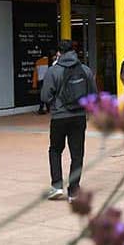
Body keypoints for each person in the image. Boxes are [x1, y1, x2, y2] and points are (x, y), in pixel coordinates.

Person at [41, 39, 97, 201]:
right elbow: (93, 94)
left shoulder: (54, 71)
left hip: (59, 117)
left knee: (55, 150)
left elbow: (45, 96)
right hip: (79, 117)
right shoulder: (85, 70)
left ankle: (57, 185)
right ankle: (73, 190)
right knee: (77, 153)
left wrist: (55, 104)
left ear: (59, 52)